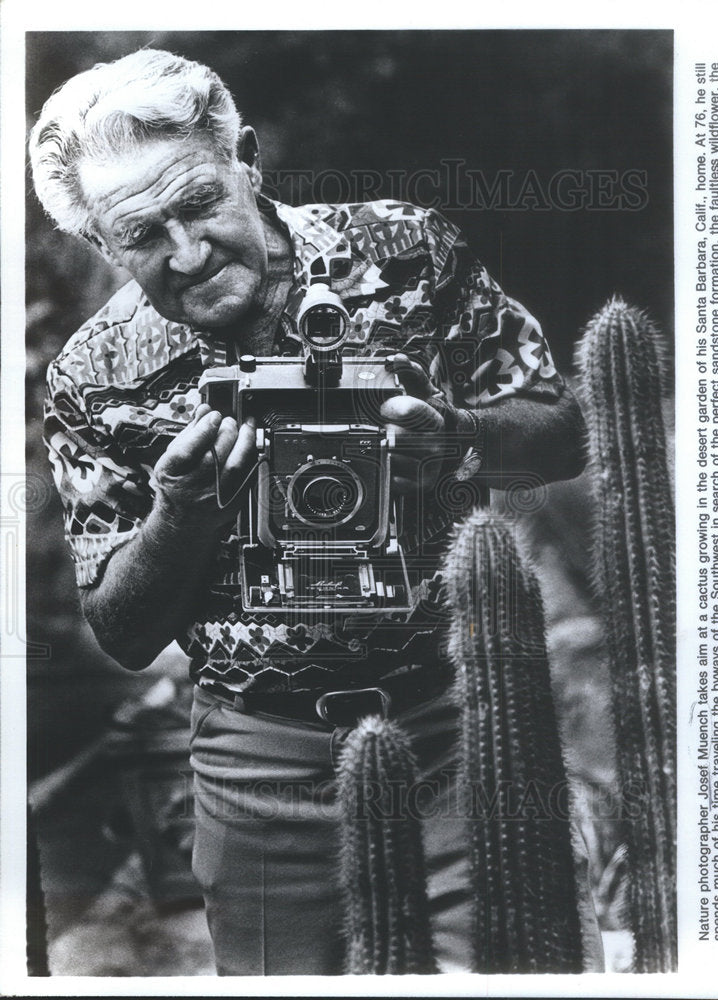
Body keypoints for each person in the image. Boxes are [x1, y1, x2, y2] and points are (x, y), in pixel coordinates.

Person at [30, 48, 598, 975]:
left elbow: (560, 429)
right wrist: (185, 509)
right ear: (99, 242)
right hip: (260, 764)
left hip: (458, 723)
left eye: (200, 202)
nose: (186, 252)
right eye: (140, 234)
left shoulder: (405, 251)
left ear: (246, 157)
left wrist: (452, 434)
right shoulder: (95, 377)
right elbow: (122, 631)